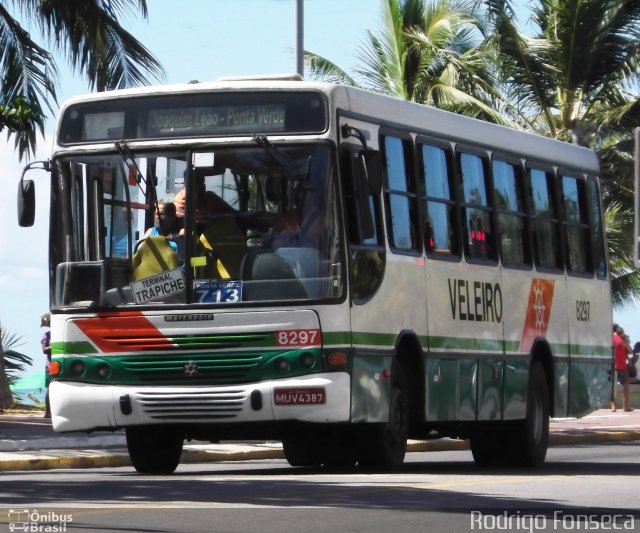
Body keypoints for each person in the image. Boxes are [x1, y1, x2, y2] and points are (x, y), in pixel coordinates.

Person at [612, 324, 633, 412]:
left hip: (615, 365)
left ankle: (614, 406)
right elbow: (630, 351)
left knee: (613, 387)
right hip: (619, 366)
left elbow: (629, 351)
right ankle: (624, 406)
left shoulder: (613, 338)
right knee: (625, 386)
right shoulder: (620, 339)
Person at [40, 312, 51, 418]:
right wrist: (52, 346)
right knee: (50, 388)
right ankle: (48, 412)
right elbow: (44, 350)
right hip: (50, 366)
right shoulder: (46, 335)